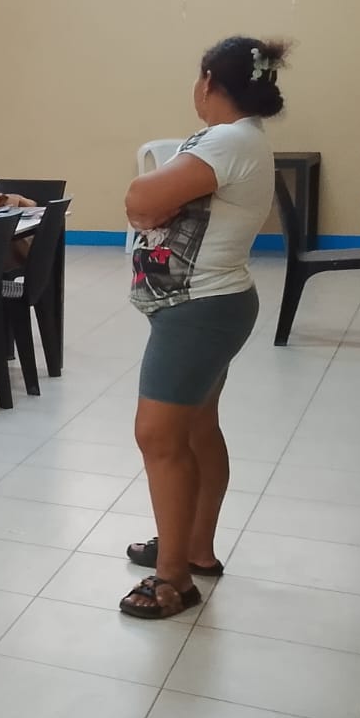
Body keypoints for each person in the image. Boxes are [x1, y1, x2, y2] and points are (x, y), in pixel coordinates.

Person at [119, 37, 287, 618]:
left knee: (158, 436)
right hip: (210, 305)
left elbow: (140, 197)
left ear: (210, 80)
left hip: (197, 311)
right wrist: (150, 206)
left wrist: (148, 203)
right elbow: (148, 205)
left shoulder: (227, 140)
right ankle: (194, 547)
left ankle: (174, 579)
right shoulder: (239, 138)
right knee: (195, 429)